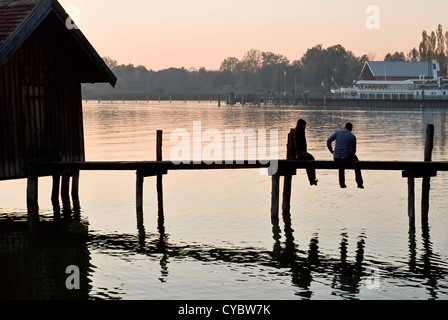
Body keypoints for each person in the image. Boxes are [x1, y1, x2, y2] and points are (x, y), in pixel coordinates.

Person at [327, 122, 364, 189]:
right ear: (351, 129)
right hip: (346, 157)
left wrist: (332, 151)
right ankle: (359, 183)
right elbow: (354, 150)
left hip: (336, 157)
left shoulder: (337, 133)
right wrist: (349, 154)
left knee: (341, 165)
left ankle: (342, 183)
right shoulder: (352, 136)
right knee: (357, 164)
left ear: (344, 127)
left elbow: (328, 141)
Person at [294, 119, 318, 186]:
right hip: (300, 153)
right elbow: (297, 145)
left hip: (303, 152)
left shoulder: (301, 132)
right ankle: (312, 179)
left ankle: (312, 179)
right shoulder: (298, 133)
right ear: (301, 125)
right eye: (304, 125)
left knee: (310, 161)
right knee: (311, 160)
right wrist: (300, 153)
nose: (305, 126)